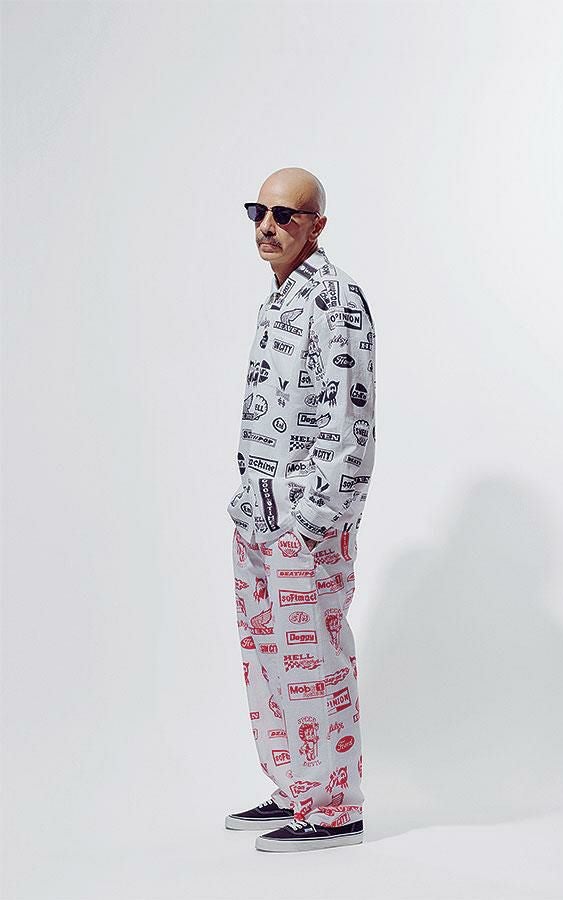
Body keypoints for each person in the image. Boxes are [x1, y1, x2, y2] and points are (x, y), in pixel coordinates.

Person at [224, 167, 376, 852]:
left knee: (313, 658)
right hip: (257, 517)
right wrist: (248, 507)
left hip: (303, 527)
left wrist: (311, 524)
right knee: (268, 661)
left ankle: (333, 809)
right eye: (259, 212)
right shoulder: (278, 300)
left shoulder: (336, 299)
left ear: (317, 225)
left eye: (285, 215)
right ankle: (294, 790)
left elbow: (351, 426)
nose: (267, 226)